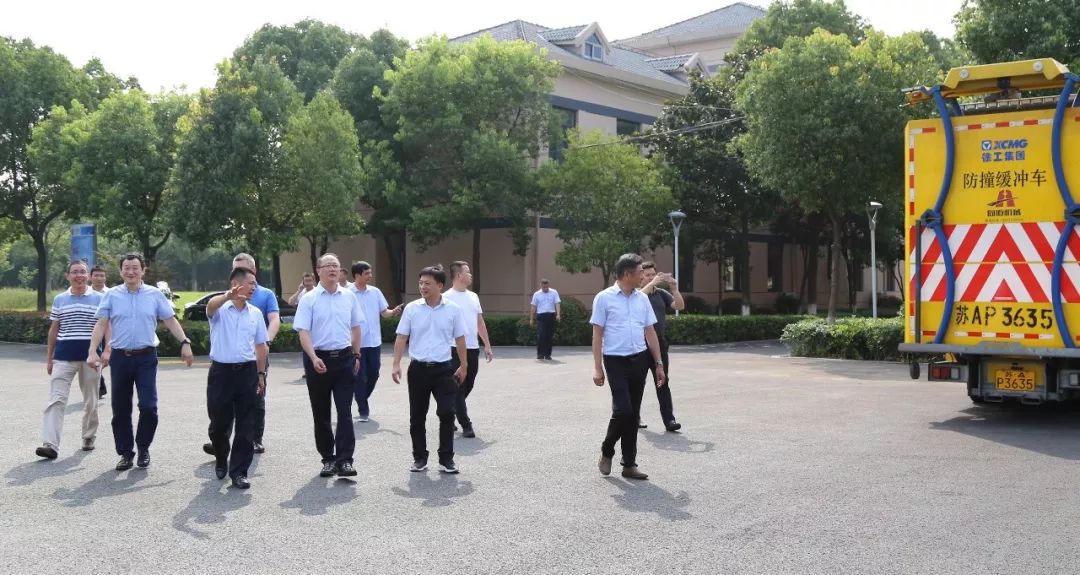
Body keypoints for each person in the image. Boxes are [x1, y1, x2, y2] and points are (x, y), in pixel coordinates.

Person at [87, 253, 194, 472]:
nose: (131, 272)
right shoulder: (112, 295)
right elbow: (101, 324)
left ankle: (143, 447)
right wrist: (92, 351)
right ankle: (126, 453)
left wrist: (184, 342)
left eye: (135, 268)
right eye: (126, 268)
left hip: (146, 357)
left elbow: (170, 320)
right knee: (120, 408)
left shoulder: (154, 294)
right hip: (120, 357)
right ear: (120, 271)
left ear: (143, 270)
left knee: (148, 406)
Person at [590, 253, 665, 481]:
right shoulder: (604, 298)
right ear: (626, 274)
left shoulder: (642, 299)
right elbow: (597, 334)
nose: (644, 276)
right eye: (640, 272)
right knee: (623, 410)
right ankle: (607, 450)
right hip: (615, 361)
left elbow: (650, 332)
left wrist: (658, 363)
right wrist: (597, 368)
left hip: (639, 360)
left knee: (633, 414)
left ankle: (629, 465)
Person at [392, 265, 468, 474]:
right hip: (418, 370)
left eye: (427, 283)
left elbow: (460, 339)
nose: (422, 287)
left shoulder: (453, 309)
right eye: (420, 283)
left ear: (440, 285)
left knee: (447, 412)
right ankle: (419, 458)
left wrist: (464, 365)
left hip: (444, 369)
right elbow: (401, 337)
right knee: (417, 416)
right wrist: (396, 364)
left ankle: (446, 459)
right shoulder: (412, 309)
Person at [293, 253, 363, 478]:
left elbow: (356, 327)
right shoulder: (309, 299)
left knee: (345, 411)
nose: (333, 269)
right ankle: (328, 459)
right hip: (318, 360)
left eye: (336, 266)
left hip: (344, 359)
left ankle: (345, 460)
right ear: (318, 270)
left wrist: (357, 355)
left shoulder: (349, 297)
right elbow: (303, 331)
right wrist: (313, 358)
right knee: (321, 412)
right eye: (328, 266)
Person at [204, 267, 268, 489]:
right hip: (221, 373)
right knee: (218, 424)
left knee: (246, 424)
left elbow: (261, 345)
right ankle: (221, 455)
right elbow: (210, 307)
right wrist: (226, 296)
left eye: (255, 284)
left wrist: (261, 373)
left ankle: (239, 471)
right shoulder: (220, 310)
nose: (254, 287)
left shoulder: (255, 313)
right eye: (250, 283)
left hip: (247, 372)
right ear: (236, 284)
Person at [36, 261, 105, 459]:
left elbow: (106, 326)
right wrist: (49, 358)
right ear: (67, 276)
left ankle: (88, 436)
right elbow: (54, 329)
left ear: (88, 275)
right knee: (56, 400)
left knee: (91, 400)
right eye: (74, 272)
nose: (79, 275)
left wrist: (107, 350)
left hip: (90, 357)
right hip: (63, 357)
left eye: (82, 272)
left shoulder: (100, 298)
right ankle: (50, 444)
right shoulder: (60, 299)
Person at [230, 253, 279, 453]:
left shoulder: (266, 294)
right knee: (226, 400)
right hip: (231, 356)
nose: (239, 273)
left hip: (256, 354)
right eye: (236, 270)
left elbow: (274, 319)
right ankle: (222, 441)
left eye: (244, 269)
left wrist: (266, 341)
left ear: (254, 270)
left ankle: (255, 438)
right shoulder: (228, 294)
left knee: (257, 398)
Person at [442, 261, 493, 438]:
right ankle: (466, 424)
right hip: (453, 348)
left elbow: (479, 321)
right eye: (467, 272)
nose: (470, 275)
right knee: (458, 386)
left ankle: (449, 410)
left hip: (472, 347)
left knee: (468, 383)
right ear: (458, 275)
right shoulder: (446, 297)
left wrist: (487, 344)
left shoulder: (473, 297)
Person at [348, 261, 403, 421]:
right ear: (357, 275)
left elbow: (384, 312)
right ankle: (363, 409)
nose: (370, 276)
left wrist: (393, 312)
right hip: (356, 343)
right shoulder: (347, 294)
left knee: (374, 374)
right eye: (367, 273)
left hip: (374, 342)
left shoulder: (375, 292)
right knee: (360, 377)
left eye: (370, 272)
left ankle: (360, 397)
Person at [639, 262, 685, 432]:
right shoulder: (636, 294)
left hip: (659, 343)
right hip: (639, 344)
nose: (651, 277)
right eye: (648, 275)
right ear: (640, 276)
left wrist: (674, 288)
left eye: (654, 274)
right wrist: (652, 283)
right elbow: (639, 297)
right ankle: (635, 417)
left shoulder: (661, 294)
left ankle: (669, 420)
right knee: (637, 383)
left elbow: (679, 306)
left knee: (663, 381)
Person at [90, 265, 109, 399]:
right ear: (90, 277)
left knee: (105, 359)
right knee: (95, 358)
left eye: (102, 275)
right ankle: (99, 387)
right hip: (92, 331)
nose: (99, 278)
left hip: (109, 331)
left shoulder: (110, 293)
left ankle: (99, 386)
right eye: (96, 275)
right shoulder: (85, 293)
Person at [529, 279, 561, 360]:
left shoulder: (554, 292)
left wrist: (558, 314)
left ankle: (547, 355)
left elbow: (557, 303)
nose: (545, 288)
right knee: (541, 335)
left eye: (546, 287)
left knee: (549, 336)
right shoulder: (537, 294)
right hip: (541, 316)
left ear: (548, 285)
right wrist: (531, 319)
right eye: (543, 287)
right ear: (541, 286)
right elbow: (533, 306)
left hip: (551, 315)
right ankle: (540, 354)